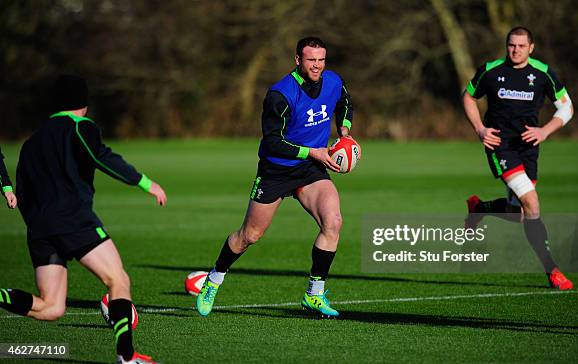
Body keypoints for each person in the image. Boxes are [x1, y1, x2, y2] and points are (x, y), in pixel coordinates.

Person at [0, 75, 167, 364]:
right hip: (74, 221)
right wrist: (145, 183)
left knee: (51, 308)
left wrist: (41, 226)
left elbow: (23, 192)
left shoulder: (31, 142)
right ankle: (127, 356)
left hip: (39, 229)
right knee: (118, 280)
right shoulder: (81, 127)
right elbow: (101, 157)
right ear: (84, 104)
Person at [196, 36, 353, 318]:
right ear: (297, 60)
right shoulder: (280, 94)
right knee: (249, 236)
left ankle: (314, 295)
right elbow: (272, 142)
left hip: (309, 170)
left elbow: (344, 101)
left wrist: (344, 129)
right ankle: (214, 278)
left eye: (321, 60)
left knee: (334, 222)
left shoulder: (333, 81)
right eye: (311, 60)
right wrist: (313, 152)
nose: (317, 66)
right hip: (277, 170)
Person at [463, 26, 574, 290]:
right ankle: (553, 271)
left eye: (521, 46)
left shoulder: (543, 73)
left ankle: (480, 209)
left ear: (531, 47)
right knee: (532, 204)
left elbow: (567, 106)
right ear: (506, 45)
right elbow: (468, 97)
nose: (515, 50)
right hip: (500, 146)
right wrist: (480, 129)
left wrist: (545, 131)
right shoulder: (491, 71)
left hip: (529, 148)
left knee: (522, 215)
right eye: (511, 45)